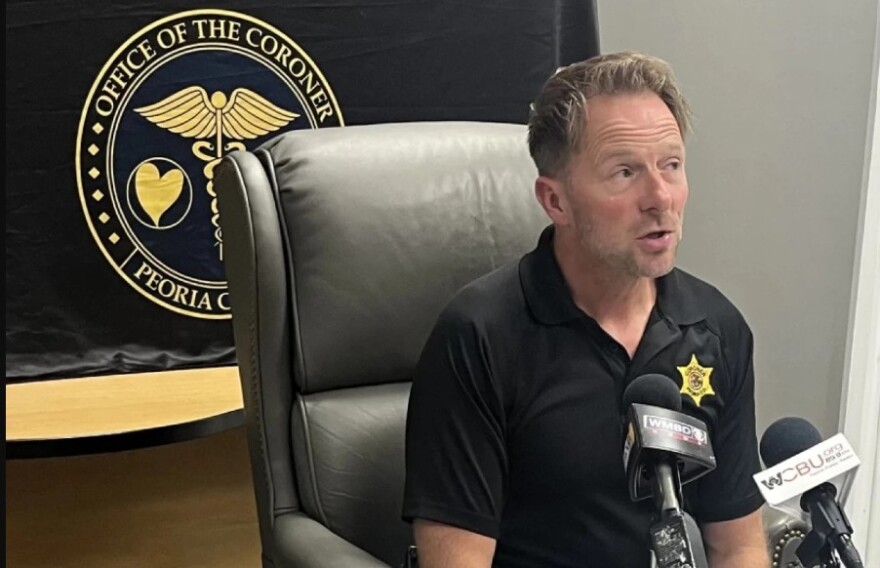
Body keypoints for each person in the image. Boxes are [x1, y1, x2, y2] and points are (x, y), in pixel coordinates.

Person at [402, 51, 770, 567]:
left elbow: (738, 546)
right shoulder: (479, 335)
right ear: (556, 202)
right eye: (625, 172)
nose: (660, 197)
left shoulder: (717, 328)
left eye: (671, 165)